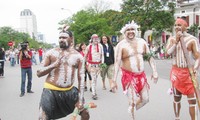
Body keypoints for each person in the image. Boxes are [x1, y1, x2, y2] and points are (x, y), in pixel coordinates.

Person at [36, 28, 89, 120]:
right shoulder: (51, 53)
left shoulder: (78, 56)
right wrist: (53, 65)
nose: (61, 40)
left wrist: (80, 100)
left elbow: (81, 78)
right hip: (50, 91)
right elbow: (39, 72)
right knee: (42, 117)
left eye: (64, 37)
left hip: (69, 91)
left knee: (85, 113)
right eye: (60, 37)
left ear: (71, 39)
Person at [111, 22, 158, 119]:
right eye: (128, 30)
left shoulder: (142, 42)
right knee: (132, 102)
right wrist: (113, 80)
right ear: (124, 32)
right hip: (128, 77)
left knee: (145, 99)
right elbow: (117, 63)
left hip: (141, 76)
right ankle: (132, 112)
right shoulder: (120, 45)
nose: (130, 31)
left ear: (135, 31)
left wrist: (154, 71)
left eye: (132, 29)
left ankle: (131, 109)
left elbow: (150, 57)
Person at [165, 17, 200, 120]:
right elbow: (167, 53)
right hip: (176, 73)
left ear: (186, 26)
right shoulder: (171, 39)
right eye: (175, 25)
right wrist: (176, 42)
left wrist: (195, 68)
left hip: (188, 73)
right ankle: (177, 118)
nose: (177, 27)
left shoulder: (192, 40)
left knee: (192, 100)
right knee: (176, 98)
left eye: (179, 25)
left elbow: (198, 57)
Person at [85, 34, 104, 100]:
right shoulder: (88, 47)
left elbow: (102, 55)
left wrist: (102, 64)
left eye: (97, 38)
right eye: (94, 38)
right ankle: (93, 93)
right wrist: (86, 64)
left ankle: (93, 89)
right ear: (92, 39)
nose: (95, 39)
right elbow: (85, 56)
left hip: (98, 65)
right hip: (91, 65)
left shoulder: (100, 46)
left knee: (95, 78)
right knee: (93, 79)